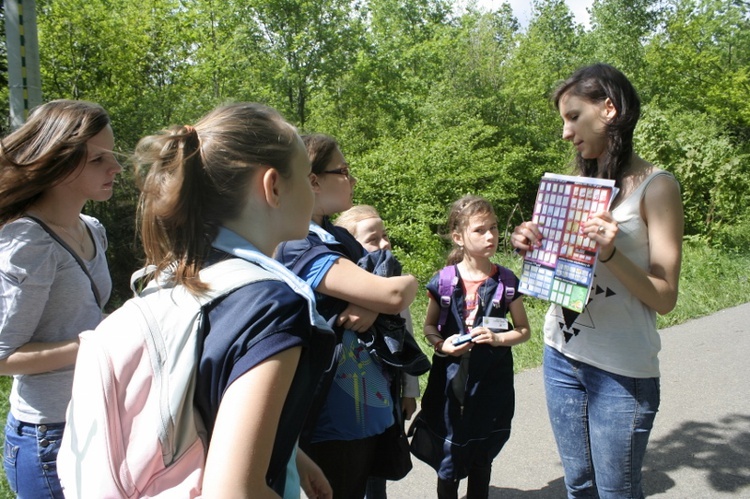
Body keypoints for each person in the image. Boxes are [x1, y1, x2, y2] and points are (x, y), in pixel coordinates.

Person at [132, 103, 335, 498]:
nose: (314, 192)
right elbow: (233, 492)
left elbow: (207, 412)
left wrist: (289, 454)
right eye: (308, 178)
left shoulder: (172, 276)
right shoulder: (273, 306)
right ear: (273, 186)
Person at [510, 63, 684, 499]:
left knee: (616, 492)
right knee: (579, 486)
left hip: (621, 371)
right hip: (560, 354)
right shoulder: (578, 185)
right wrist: (531, 245)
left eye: (573, 116)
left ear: (609, 109)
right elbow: (561, 274)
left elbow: (664, 298)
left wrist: (610, 252)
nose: (566, 133)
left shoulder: (658, 188)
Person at [275, 134, 419, 499]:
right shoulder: (298, 243)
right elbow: (395, 290)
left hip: (367, 401)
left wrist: (371, 303)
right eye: (343, 171)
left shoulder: (337, 234)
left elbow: (382, 283)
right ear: (313, 181)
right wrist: (384, 297)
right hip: (330, 413)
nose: (352, 180)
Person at [0, 100, 121, 498]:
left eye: (113, 156)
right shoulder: (28, 243)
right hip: (48, 434)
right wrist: (97, 342)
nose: (116, 168)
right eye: (99, 159)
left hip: (95, 420)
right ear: (60, 161)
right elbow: (4, 357)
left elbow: (83, 315)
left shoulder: (92, 228)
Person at [409, 194, 531, 499]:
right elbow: (428, 327)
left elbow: (524, 330)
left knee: (482, 452)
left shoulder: (506, 281)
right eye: (479, 230)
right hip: (450, 385)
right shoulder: (444, 282)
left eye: (493, 227)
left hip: (492, 384)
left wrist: (499, 339)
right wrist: (442, 346)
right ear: (458, 237)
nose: (490, 235)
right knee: (448, 457)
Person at [334, 205, 421, 499]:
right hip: (346, 403)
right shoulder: (332, 288)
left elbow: (405, 340)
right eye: (373, 239)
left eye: (386, 237)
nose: (384, 244)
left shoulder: (391, 287)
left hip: (385, 394)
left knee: (378, 472)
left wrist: (409, 391)